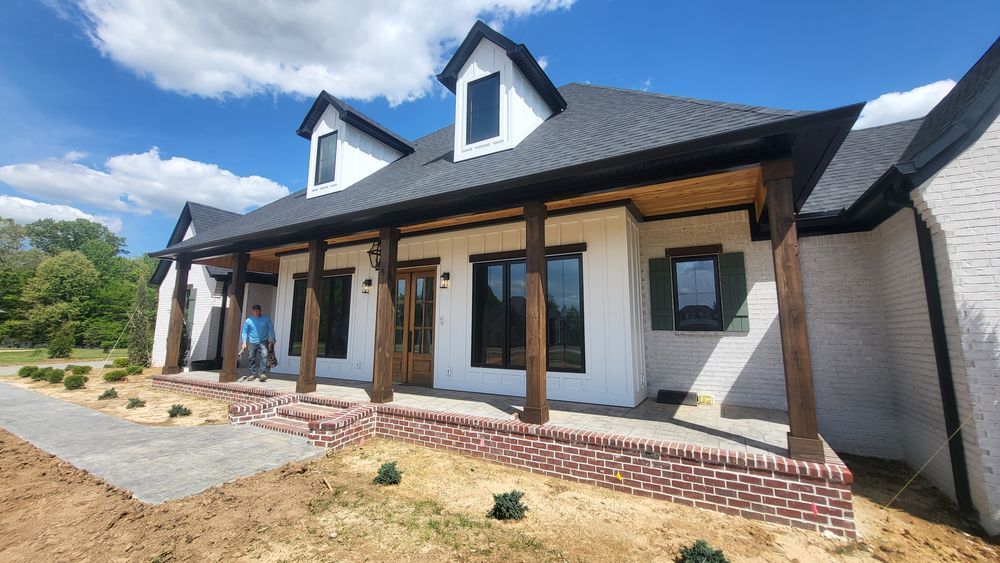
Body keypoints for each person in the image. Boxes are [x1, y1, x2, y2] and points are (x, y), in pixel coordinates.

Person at [240, 304, 276, 382]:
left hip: (263, 341)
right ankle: (252, 374)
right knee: (251, 357)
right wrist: (244, 342)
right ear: (252, 312)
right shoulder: (248, 321)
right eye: (255, 311)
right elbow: (244, 332)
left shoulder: (266, 319)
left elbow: (271, 328)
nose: (256, 312)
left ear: (260, 311)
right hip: (252, 342)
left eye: (258, 311)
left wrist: (272, 339)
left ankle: (262, 373)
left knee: (264, 355)